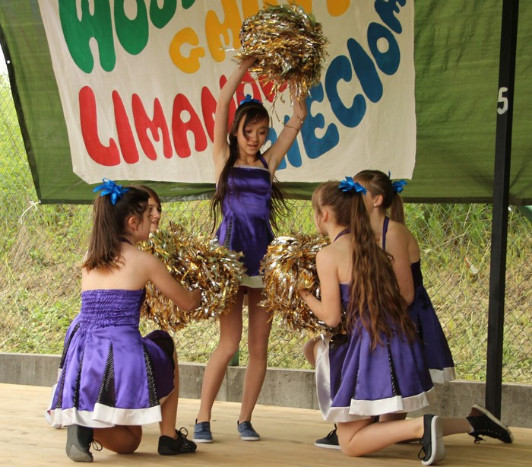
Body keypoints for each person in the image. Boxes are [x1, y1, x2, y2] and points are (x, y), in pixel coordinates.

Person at [299, 179, 512, 465]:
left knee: (350, 444)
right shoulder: (374, 247)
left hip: (370, 346)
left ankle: (421, 426)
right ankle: (473, 423)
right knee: (318, 353)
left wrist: (303, 294)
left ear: (323, 214)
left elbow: (332, 317)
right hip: (397, 341)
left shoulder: (328, 254)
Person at [193, 57, 307, 443]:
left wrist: (298, 86)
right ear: (236, 131)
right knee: (229, 343)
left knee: (260, 347)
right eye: (248, 131)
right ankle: (203, 418)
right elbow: (222, 103)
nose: (255, 138)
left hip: (263, 260)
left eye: (261, 132)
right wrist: (244, 67)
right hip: (229, 260)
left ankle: (245, 420)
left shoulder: (267, 163)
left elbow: (296, 121)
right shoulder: (223, 159)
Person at [47, 179, 201, 462]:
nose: (153, 218)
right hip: (120, 353)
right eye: (148, 214)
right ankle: (169, 437)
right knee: (164, 343)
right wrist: (202, 286)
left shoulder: (90, 257)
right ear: (132, 222)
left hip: (82, 356)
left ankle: (84, 424)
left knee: (130, 443)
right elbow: (188, 303)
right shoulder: (144, 261)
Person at [314, 170, 456, 448]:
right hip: (383, 329)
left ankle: (411, 427)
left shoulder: (387, 236)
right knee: (320, 351)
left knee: (371, 432)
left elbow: (405, 295)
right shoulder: (365, 241)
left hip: (389, 329)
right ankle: (459, 424)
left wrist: (308, 295)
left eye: (360, 192)